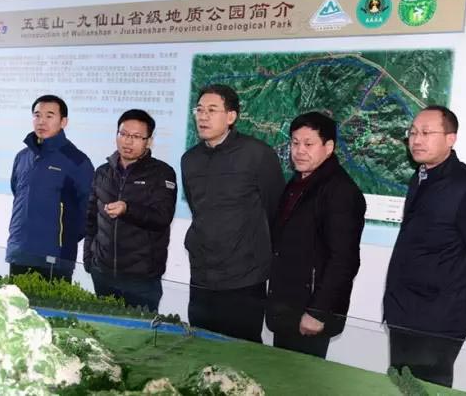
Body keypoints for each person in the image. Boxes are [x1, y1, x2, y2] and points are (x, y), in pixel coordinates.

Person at [384, 105, 466, 387]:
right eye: (412, 133)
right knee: (402, 388)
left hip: (437, 320)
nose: (416, 140)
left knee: (426, 390)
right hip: (403, 312)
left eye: (426, 133)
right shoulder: (421, 177)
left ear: (451, 138)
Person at [181, 84, 286, 342]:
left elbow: (276, 210)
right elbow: (198, 210)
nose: (203, 116)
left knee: (242, 352)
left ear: (231, 116)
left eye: (212, 110)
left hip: (244, 279)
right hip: (202, 276)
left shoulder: (258, 154)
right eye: (199, 110)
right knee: (200, 346)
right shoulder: (190, 159)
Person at [265, 111, 366, 359]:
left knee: (303, 378)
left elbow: (344, 260)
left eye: (308, 144)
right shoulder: (297, 183)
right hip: (287, 308)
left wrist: (318, 312)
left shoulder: (340, 191)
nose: (299, 151)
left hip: (310, 313)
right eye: (295, 143)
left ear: (328, 147)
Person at [83, 109, 177, 311]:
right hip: (103, 274)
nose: (127, 141)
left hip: (141, 279)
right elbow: (91, 220)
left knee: (139, 330)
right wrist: (89, 260)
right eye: (123, 134)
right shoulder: (102, 172)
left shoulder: (162, 173)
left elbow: (162, 218)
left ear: (148, 141)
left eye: (136, 137)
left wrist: (128, 209)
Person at [6, 94, 94, 282]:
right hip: (19, 251)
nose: (41, 121)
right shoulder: (22, 157)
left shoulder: (77, 161)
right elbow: (17, 194)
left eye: (49, 116)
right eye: (37, 115)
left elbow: (89, 210)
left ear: (63, 122)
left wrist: (63, 240)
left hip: (55, 256)